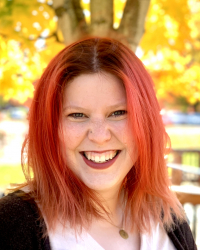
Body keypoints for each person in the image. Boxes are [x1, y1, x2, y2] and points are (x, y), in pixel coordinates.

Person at [0, 37, 197, 250]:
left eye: (118, 113)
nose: (100, 136)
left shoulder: (167, 214)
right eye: (77, 115)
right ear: (50, 128)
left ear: (146, 121)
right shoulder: (13, 223)